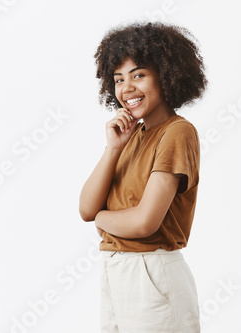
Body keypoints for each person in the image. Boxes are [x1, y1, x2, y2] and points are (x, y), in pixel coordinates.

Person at [79, 21, 207, 332]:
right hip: (117, 269)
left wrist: (102, 220)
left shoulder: (177, 132)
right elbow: (86, 208)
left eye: (139, 75)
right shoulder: (131, 135)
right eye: (118, 79)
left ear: (166, 75)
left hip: (152, 272)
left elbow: (144, 222)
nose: (127, 88)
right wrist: (113, 149)